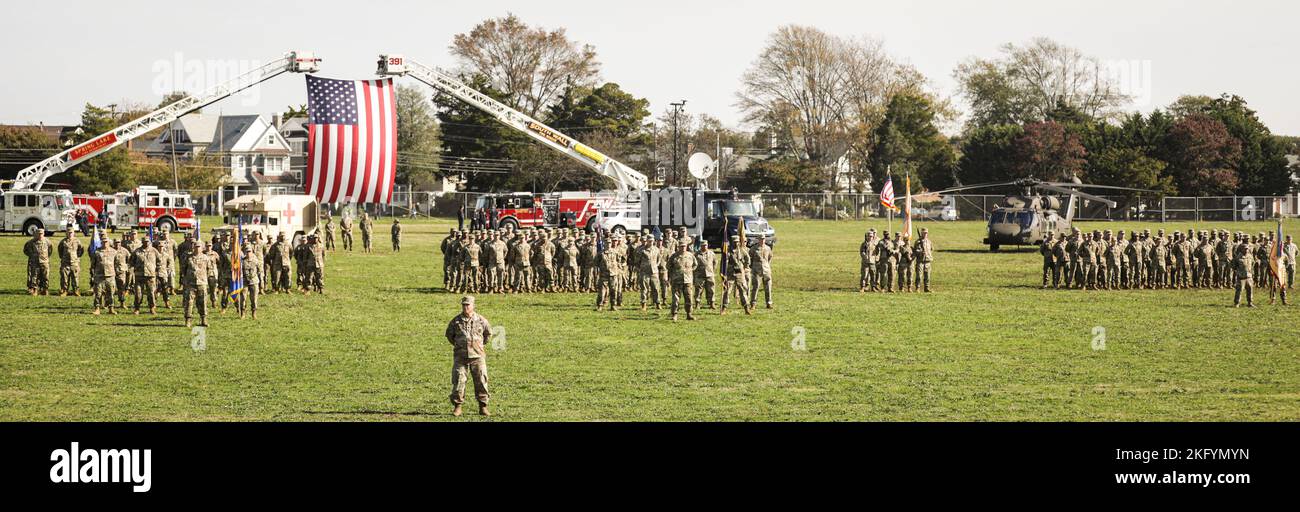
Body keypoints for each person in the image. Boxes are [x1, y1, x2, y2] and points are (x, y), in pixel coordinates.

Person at [445, 295, 492, 417]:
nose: (466, 307)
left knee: (482, 381)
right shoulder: (455, 321)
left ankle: (483, 406)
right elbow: (450, 336)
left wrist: (478, 346)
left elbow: (488, 334)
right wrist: (461, 345)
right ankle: (458, 407)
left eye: (468, 305)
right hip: (461, 357)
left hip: (478, 357)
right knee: (459, 382)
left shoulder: (481, 320)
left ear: (473, 305)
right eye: (464, 305)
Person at [720, 235, 752, 315]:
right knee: (727, 291)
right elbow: (723, 262)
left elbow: (747, 258)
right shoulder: (728, 251)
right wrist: (723, 272)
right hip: (730, 273)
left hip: (739, 273)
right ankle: (724, 307)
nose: (736, 243)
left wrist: (745, 266)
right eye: (734, 242)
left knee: (742, 290)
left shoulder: (741, 250)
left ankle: (746, 308)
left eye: (737, 242)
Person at [182, 240, 210, 327]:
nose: (197, 249)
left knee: (203, 302)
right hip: (190, 283)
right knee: (189, 302)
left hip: (202, 283)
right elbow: (184, 269)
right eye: (196, 247)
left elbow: (208, 269)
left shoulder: (206, 258)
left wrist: (203, 278)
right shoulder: (188, 257)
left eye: (199, 247)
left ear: (202, 248)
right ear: (193, 247)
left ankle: (203, 319)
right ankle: (188, 319)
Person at [667, 241, 697, 321]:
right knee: (676, 299)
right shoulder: (674, 256)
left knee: (689, 298)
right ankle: (674, 314)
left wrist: (689, 271)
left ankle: (689, 314)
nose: (683, 248)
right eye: (681, 246)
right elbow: (668, 266)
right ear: (678, 247)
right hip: (677, 280)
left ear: (686, 246)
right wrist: (674, 274)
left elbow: (695, 265)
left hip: (688, 280)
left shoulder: (690, 255)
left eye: (684, 246)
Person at [131, 237, 160, 314]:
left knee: (151, 293)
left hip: (150, 276)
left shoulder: (154, 251)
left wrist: (155, 270)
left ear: (150, 242)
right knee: (138, 293)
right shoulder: (137, 251)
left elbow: (159, 261)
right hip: (139, 276)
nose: (146, 243)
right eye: (145, 241)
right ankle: (137, 308)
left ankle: (152, 308)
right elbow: (131, 261)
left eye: (147, 241)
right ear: (142, 242)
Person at [90, 239, 116, 315]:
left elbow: (116, 263)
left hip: (110, 275)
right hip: (99, 276)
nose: (105, 243)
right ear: (101, 243)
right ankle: (97, 308)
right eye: (103, 242)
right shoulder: (97, 252)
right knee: (98, 293)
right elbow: (93, 264)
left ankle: (111, 308)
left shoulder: (114, 252)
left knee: (111, 293)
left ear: (109, 243)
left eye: (106, 242)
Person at [23, 230, 53, 295]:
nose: (40, 235)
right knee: (34, 276)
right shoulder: (31, 242)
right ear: (36, 234)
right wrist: (32, 256)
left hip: (44, 262)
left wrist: (45, 257)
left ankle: (44, 289)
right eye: (39, 234)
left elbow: (50, 251)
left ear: (44, 234)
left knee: (45, 276)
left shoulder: (47, 242)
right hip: (35, 262)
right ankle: (35, 289)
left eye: (41, 234)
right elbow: (25, 250)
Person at [58, 228, 84, 296]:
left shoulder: (77, 241)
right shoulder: (63, 242)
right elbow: (60, 251)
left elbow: (81, 250)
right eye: (68, 232)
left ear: (73, 233)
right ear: (66, 233)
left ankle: (76, 291)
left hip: (74, 263)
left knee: (75, 278)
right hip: (65, 263)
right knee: (64, 278)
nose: (70, 234)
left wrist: (76, 258)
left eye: (71, 232)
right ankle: (64, 291)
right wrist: (63, 258)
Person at [749, 237, 773, 307]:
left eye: (763, 239)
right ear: (758, 239)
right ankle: (753, 303)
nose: (762, 240)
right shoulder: (753, 248)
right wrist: (752, 266)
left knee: (768, 286)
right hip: (756, 270)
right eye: (761, 239)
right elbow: (750, 258)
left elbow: (770, 257)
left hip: (766, 270)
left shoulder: (768, 248)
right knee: (755, 287)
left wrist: (767, 265)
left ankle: (769, 303)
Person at [693, 240, 717, 308]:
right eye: (703, 245)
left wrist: (712, 270)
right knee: (698, 290)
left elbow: (715, 262)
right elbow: (694, 264)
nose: (704, 247)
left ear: (707, 245)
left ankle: (712, 303)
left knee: (711, 289)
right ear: (700, 246)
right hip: (700, 275)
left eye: (705, 245)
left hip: (709, 274)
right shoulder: (696, 254)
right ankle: (697, 303)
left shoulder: (711, 253)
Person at [914, 228, 934, 293]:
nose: (925, 234)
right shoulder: (918, 242)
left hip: (927, 260)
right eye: (924, 233)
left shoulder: (929, 241)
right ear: (921, 233)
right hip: (920, 261)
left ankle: (927, 288)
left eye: (926, 233)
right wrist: (920, 252)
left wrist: (928, 255)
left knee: (927, 275)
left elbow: (931, 249)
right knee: (919, 275)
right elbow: (915, 251)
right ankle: (917, 288)